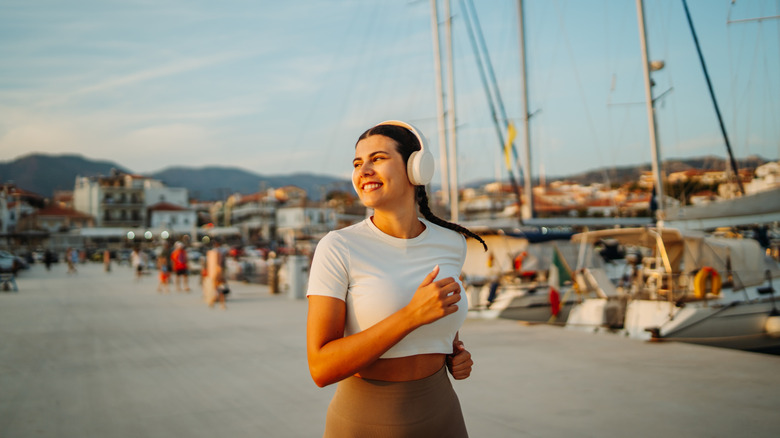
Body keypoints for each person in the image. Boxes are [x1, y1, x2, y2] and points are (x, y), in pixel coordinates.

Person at [306, 120, 488, 437]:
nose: (363, 170)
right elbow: (321, 368)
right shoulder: (338, 247)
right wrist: (410, 316)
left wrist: (454, 355)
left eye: (377, 158)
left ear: (417, 168)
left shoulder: (452, 243)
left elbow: (443, 328)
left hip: (442, 414)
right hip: (365, 421)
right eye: (357, 163)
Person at [204, 238, 228, 309]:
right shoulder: (217, 253)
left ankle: (216, 303)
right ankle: (218, 303)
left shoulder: (216, 252)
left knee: (218, 289)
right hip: (217, 273)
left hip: (217, 273)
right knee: (218, 289)